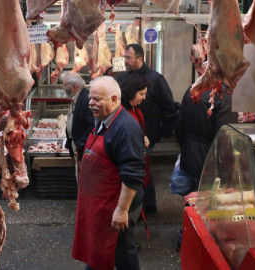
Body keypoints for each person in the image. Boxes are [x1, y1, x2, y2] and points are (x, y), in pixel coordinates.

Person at [72, 76, 145, 270]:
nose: (90, 104)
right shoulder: (103, 120)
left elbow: (133, 174)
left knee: (123, 252)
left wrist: (122, 210)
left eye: (97, 99)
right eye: (90, 98)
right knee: (98, 251)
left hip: (117, 204)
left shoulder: (126, 128)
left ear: (114, 100)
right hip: (100, 204)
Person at [172, 65, 238, 252]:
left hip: (191, 151)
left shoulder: (192, 88)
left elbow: (179, 123)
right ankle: (199, 242)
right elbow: (225, 132)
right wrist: (228, 162)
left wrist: (185, 146)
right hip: (210, 156)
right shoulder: (224, 94)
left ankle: (184, 237)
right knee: (209, 202)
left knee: (193, 200)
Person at [117, 44, 179, 213]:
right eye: (125, 57)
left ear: (140, 58)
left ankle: (147, 205)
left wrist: (164, 132)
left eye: (128, 58)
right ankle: (134, 205)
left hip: (148, 134)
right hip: (126, 133)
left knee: (141, 167)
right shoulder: (122, 79)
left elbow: (168, 107)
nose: (125, 61)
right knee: (135, 166)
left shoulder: (156, 79)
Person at [119, 74, 151, 189]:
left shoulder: (135, 109)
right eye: (141, 94)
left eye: (145, 94)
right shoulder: (122, 113)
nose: (144, 98)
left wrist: (143, 135)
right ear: (131, 92)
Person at [63, 72, 94, 163]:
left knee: (83, 174)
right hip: (77, 145)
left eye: (65, 85)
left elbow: (92, 125)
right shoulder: (77, 98)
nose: (63, 88)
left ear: (74, 86)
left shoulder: (86, 99)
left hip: (83, 148)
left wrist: (81, 143)